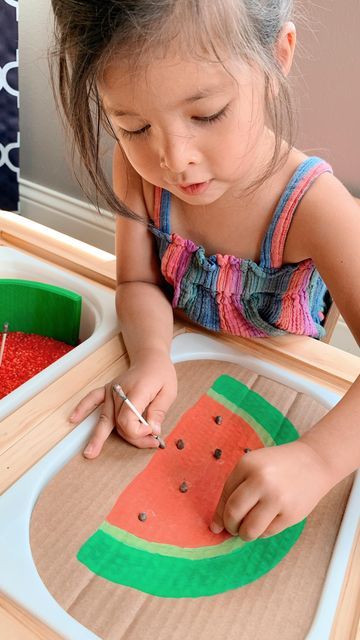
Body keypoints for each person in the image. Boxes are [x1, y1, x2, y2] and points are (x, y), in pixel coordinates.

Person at [51, 0, 360, 542]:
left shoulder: (317, 207)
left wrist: (318, 459)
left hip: (273, 404)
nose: (173, 157)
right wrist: (150, 356)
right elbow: (138, 281)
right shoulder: (140, 173)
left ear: (276, 57)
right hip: (185, 386)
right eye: (134, 125)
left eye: (207, 113)